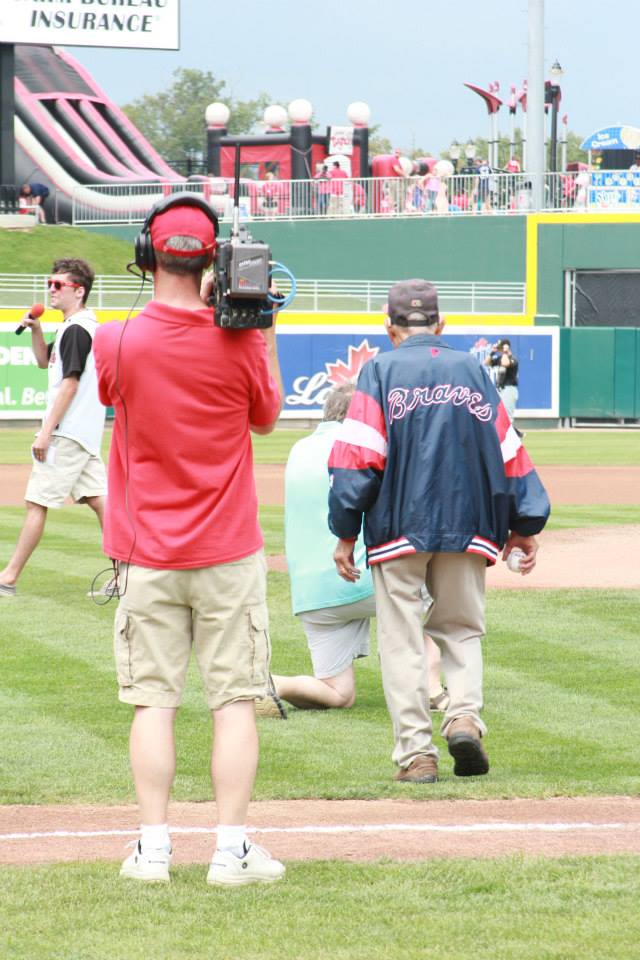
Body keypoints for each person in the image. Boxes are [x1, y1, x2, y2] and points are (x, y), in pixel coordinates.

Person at [92, 196, 286, 887]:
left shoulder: (117, 338)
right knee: (233, 701)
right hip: (228, 549)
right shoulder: (240, 340)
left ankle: (152, 849)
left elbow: (119, 392)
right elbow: (267, 418)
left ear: (148, 256)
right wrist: (258, 323)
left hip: (147, 550)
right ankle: (231, 852)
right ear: (215, 261)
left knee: (154, 701)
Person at [328, 280, 550, 784]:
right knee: (460, 630)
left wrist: (345, 531)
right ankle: (464, 716)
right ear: (440, 325)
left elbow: (359, 458)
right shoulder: (472, 369)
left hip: (397, 527)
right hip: (470, 524)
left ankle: (416, 755)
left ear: (389, 327)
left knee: (403, 641)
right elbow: (508, 448)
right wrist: (525, 522)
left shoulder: (378, 371)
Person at [261, 382, 450, 714]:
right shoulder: (364, 449)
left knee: (337, 693)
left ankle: (272, 685)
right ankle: (429, 685)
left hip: (312, 596)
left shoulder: (299, 449)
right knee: (449, 587)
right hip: (362, 580)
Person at [0, 259, 106, 598]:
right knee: (102, 502)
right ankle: (127, 575)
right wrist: (34, 329)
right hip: (82, 433)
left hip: (67, 432)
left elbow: (70, 386)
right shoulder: (74, 327)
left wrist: (46, 431)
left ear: (79, 290)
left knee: (36, 503)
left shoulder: (76, 329)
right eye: (50, 283)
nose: (51, 289)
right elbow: (44, 362)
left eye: (58, 285)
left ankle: (8, 577)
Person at [484, 338, 520, 430]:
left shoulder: (513, 359)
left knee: (508, 417)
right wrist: (493, 352)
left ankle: (513, 438)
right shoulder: (500, 358)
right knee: (499, 416)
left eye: (501, 347)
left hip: (509, 389)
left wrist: (505, 352)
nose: (499, 350)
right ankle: (514, 435)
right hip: (501, 389)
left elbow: (505, 363)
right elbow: (486, 362)